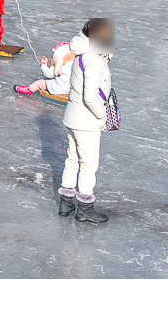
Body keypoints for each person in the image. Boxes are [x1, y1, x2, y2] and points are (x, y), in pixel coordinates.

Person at [59, 18, 115, 224]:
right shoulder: (94, 60)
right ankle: (84, 207)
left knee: (72, 159)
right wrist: (102, 116)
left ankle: (65, 203)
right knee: (88, 164)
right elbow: (90, 97)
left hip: (73, 117)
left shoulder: (82, 54)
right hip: (86, 121)